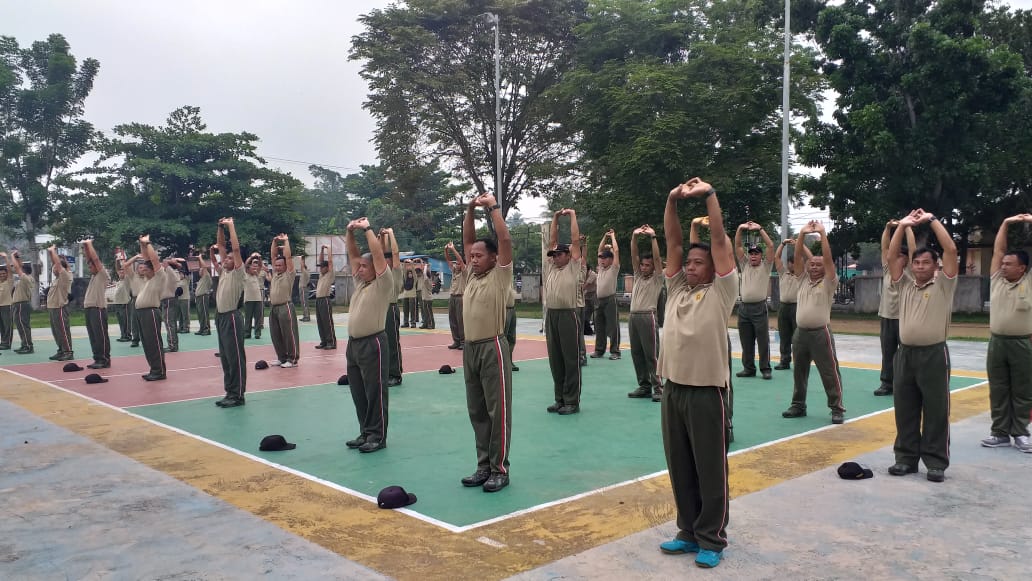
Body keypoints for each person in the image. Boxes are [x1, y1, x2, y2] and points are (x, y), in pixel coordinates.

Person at [656, 178, 735, 569]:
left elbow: (719, 241)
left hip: (707, 393)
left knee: (710, 468)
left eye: (697, 262)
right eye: (688, 262)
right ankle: (687, 531)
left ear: (713, 268)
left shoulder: (722, 293)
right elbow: (672, 242)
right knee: (681, 465)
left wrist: (708, 196)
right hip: (673, 391)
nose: (689, 267)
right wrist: (672, 200)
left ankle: (712, 537)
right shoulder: (676, 291)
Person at [886, 209, 958, 483]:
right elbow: (892, 258)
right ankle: (905, 458)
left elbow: (950, 248)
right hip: (905, 355)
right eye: (916, 264)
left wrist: (931, 220)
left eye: (925, 263)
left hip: (933, 354)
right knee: (905, 408)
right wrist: (902, 224)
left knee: (936, 409)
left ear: (935, 266)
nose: (919, 267)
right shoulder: (904, 285)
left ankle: (936, 462)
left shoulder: (943, 286)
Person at [459, 192, 514, 492]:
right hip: (471, 349)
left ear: (493, 258)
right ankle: (483, 465)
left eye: (480, 256)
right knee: (477, 410)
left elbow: (504, 240)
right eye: (472, 256)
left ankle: (499, 469)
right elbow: (468, 240)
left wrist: (492, 207)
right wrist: (469, 209)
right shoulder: (471, 274)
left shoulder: (500, 275)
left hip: (493, 346)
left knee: (498, 411)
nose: (474, 259)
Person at [781, 221, 846, 424]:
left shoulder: (829, 283)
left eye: (819, 265)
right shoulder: (801, 279)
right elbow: (798, 255)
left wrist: (822, 234)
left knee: (829, 372)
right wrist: (801, 234)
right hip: (800, 334)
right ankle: (798, 405)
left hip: (820, 333)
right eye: (812, 264)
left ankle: (837, 408)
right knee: (799, 371)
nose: (815, 266)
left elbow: (827, 259)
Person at [343, 217, 393, 453]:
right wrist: (350, 233)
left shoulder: (383, 283)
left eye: (364, 266)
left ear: (376, 267)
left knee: (375, 391)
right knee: (359, 392)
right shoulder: (361, 283)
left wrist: (368, 230)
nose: (359, 269)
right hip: (354, 345)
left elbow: (378, 254)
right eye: (359, 267)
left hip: (373, 343)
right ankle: (365, 431)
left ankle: (377, 435)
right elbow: (353, 255)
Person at [983, 213, 1032, 453]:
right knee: (999, 388)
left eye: (1009, 264)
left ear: (1022, 267)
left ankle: (1021, 432)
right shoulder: (997, 280)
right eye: (1003, 264)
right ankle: (1000, 432)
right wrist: (1005, 223)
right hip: (997, 343)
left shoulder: (1029, 281)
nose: (1003, 266)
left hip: (1022, 343)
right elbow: (998, 250)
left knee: (1022, 389)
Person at [545, 208, 583, 415]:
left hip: (568, 315)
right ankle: (559, 398)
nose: (555, 257)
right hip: (552, 316)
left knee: (570, 359)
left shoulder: (573, 266)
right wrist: (555, 217)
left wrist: (572, 216)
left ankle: (572, 401)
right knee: (555, 360)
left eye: (559, 254)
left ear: (568, 255)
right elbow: (552, 240)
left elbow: (575, 241)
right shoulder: (551, 267)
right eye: (554, 255)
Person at [874, 220, 916, 396]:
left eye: (899, 255)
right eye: (894, 255)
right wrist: (887, 228)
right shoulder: (887, 270)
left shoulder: (911, 272)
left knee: (907, 353)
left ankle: (908, 384)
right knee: (888, 352)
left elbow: (913, 249)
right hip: (887, 316)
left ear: (906, 259)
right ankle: (887, 383)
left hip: (905, 318)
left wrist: (907, 228)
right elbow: (885, 249)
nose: (895, 258)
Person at [211, 219, 247, 406]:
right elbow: (222, 246)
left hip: (232, 317)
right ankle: (230, 392)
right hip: (220, 317)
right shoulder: (224, 271)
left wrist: (231, 225)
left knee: (235, 357)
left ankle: (238, 395)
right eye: (225, 258)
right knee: (225, 358)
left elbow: (235, 249)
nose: (225, 259)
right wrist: (220, 227)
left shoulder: (238, 273)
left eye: (229, 258)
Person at [626, 225, 664, 401]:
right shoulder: (638, 276)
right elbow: (634, 254)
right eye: (642, 264)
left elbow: (657, 258)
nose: (643, 267)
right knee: (637, 353)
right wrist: (634, 236)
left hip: (648, 317)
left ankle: (658, 388)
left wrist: (653, 237)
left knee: (651, 354)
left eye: (647, 265)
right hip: (633, 317)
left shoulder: (658, 277)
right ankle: (644, 385)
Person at [734, 222, 775, 380]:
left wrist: (760, 229)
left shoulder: (766, 266)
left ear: (761, 256)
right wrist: (740, 228)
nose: (753, 256)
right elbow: (737, 246)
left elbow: (770, 246)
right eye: (751, 253)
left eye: (756, 254)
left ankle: (765, 368)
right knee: (746, 341)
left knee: (763, 340)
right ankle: (748, 368)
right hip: (744, 308)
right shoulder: (744, 265)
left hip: (759, 308)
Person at [134, 235, 173, 381]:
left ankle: (159, 371)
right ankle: (154, 369)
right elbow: (146, 258)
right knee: (147, 344)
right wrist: (142, 244)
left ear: (152, 270)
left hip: (151, 312)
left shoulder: (158, 276)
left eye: (145, 268)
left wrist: (148, 243)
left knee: (154, 342)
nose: (142, 269)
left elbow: (154, 260)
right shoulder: (148, 279)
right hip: (142, 313)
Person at [773, 239, 809, 371]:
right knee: (784, 336)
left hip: (797, 307)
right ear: (788, 263)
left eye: (796, 262)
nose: (793, 265)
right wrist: (783, 244)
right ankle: (784, 361)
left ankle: (799, 362)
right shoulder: (783, 273)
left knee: (798, 337)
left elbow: (810, 259)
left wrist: (799, 245)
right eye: (791, 262)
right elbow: (776, 257)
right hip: (783, 307)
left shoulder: (803, 275)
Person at [268, 234, 300, 368]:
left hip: (285, 307)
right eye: (276, 265)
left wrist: (286, 240)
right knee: (276, 334)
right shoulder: (275, 274)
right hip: (274, 308)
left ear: (286, 266)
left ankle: (292, 359)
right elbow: (273, 255)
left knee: (289, 334)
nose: (277, 267)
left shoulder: (289, 274)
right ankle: (281, 357)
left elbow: (287, 256)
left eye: (280, 265)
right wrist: (274, 241)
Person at [591, 229, 621, 359]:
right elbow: (600, 248)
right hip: (599, 300)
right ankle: (599, 350)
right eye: (601, 258)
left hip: (610, 300)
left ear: (611, 259)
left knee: (612, 326)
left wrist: (613, 236)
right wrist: (604, 236)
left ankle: (615, 351)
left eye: (605, 258)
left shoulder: (614, 268)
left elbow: (617, 251)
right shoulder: (601, 269)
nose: (602, 260)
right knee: (599, 326)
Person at [81, 240, 111, 369]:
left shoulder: (102, 274)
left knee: (100, 335)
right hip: (90, 309)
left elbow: (95, 259)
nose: (89, 268)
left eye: (91, 266)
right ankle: (97, 358)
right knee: (93, 336)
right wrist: (85, 247)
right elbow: (90, 259)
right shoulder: (94, 276)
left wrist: (90, 244)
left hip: (98, 309)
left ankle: (104, 359)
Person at [380, 229, 404, 386]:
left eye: (387, 259)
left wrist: (391, 233)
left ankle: (395, 374)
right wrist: (382, 237)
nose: (385, 260)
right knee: (382, 343)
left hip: (391, 308)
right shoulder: (382, 272)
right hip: (380, 309)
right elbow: (380, 253)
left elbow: (395, 253)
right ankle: (385, 372)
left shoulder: (395, 271)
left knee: (392, 343)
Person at [46, 245, 75, 362]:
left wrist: (53, 251)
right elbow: (58, 264)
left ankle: (68, 352)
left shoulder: (65, 276)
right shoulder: (58, 278)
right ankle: (61, 350)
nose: (53, 269)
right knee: (56, 331)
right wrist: (51, 254)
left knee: (63, 330)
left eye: (55, 267)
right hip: (53, 308)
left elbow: (59, 265)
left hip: (60, 308)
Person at [9, 251, 34, 354]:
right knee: (21, 325)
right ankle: (25, 344)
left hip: (21, 304)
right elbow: (20, 266)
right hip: (19, 304)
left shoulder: (25, 278)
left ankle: (28, 346)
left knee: (23, 326)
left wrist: (11, 256)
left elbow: (18, 267)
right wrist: (17, 257)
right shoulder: (27, 278)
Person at [445, 241, 467, 350]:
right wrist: (446, 250)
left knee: (460, 320)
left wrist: (453, 249)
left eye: (458, 263)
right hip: (452, 297)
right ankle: (456, 340)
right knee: (452, 319)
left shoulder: (464, 272)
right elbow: (448, 261)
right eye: (456, 263)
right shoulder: (454, 271)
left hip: (460, 297)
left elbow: (461, 262)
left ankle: (463, 341)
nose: (457, 265)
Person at [314, 245, 337, 350]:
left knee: (327, 322)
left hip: (325, 300)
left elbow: (330, 261)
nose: (321, 268)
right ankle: (324, 341)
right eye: (320, 267)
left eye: (323, 267)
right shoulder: (321, 275)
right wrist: (322, 249)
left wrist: (328, 249)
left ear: (327, 268)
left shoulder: (329, 274)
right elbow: (321, 260)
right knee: (320, 322)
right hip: (318, 300)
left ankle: (331, 342)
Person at [159, 259, 183, 353]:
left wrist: (173, 261)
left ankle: (173, 345)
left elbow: (164, 262)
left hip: (169, 300)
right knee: (169, 323)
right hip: (168, 300)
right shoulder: (172, 273)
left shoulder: (171, 272)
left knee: (169, 323)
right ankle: (172, 344)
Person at [242, 255, 264, 339]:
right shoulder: (245, 275)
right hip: (248, 300)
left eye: (256, 268)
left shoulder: (256, 275)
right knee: (248, 318)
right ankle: (247, 333)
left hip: (258, 299)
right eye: (253, 268)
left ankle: (257, 333)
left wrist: (259, 258)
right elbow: (245, 265)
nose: (255, 270)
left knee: (258, 317)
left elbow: (260, 266)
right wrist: (251, 257)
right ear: (248, 269)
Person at [111, 260, 133, 342]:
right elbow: (117, 269)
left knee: (126, 321)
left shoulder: (127, 280)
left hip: (125, 303)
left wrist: (123, 262)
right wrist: (116, 260)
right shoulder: (119, 281)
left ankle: (128, 335)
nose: (121, 273)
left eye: (122, 272)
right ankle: (123, 335)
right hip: (117, 304)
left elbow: (126, 268)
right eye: (120, 272)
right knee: (121, 321)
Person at [193, 253, 213, 335]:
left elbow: (204, 267)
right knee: (200, 313)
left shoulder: (206, 276)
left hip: (203, 297)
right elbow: (201, 267)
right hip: (198, 298)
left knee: (204, 313)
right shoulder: (202, 279)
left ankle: (206, 329)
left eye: (201, 270)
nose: (199, 270)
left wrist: (200, 258)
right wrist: (198, 260)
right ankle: (202, 328)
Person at [0, 256, 13, 351]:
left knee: (7, 325)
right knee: (2, 326)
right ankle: (3, 342)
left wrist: (6, 258)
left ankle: (7, 343)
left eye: (4, 274)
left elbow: (10, 270)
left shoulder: (9, 282)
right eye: (0, 274)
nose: (2, 275)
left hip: (7, 306)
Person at [400, 261, 418, 327]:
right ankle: (406, 323)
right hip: (405, 296)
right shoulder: (405, 279)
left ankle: (413, 323)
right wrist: (404, 263)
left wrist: (411, 264)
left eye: (411, 273)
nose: (410, 274)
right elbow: (404, 271)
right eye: (409, 273)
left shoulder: (414, 279)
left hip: (412, 296)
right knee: (405, 310)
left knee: (412, 311)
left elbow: (414, 272)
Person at [418, 261, 435, 329]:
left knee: (429, 313)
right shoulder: (426, 279)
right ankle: (425, 324)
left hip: (428, 299)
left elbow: (425, 273)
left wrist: (425, 266)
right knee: (425, 313)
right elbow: (425, 272)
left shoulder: (427, 280)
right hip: (425, 298)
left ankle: (431, 324)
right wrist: (426, 266)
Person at [176, 264, 191, 333]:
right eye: (179, 274)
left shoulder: (186, 280)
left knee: (185, 314)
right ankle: (181, 327)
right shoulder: (178, 281)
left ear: (184, 274)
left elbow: (188, 272)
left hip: (185, 299)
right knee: (180, 315)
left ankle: (186, 328)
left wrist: (184, 263)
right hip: (179, 299)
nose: (180, 275)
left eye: (181, 274)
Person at [298, 257, 312, 322]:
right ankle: (305, 315)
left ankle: (306, 316)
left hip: (304, 289)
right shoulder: (304, 273)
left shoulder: (305, 273)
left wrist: (301, 259)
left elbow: (302, 266)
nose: (300, 269)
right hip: (302, 289)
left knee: (304, 303)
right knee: (303, 303)